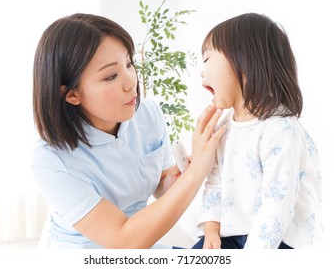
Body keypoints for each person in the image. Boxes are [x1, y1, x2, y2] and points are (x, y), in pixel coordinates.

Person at [31, 13, 225, 249]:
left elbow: (159, 186)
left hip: (139, 244)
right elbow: (124, 240)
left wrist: (174, 180)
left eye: (129, 64)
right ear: (71, 94)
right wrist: (197, 173)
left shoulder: (147, 114)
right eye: (111, 76)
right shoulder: (50, 159)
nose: (131, 81)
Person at [193, 13, 323, 249]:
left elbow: (277, 207)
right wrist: (211, 228)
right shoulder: (225, 128)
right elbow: (214, 183)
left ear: (242, 61)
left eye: (207, 59)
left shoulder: (280, 130)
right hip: (233, 235)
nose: (202, 72)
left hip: (284, 240)